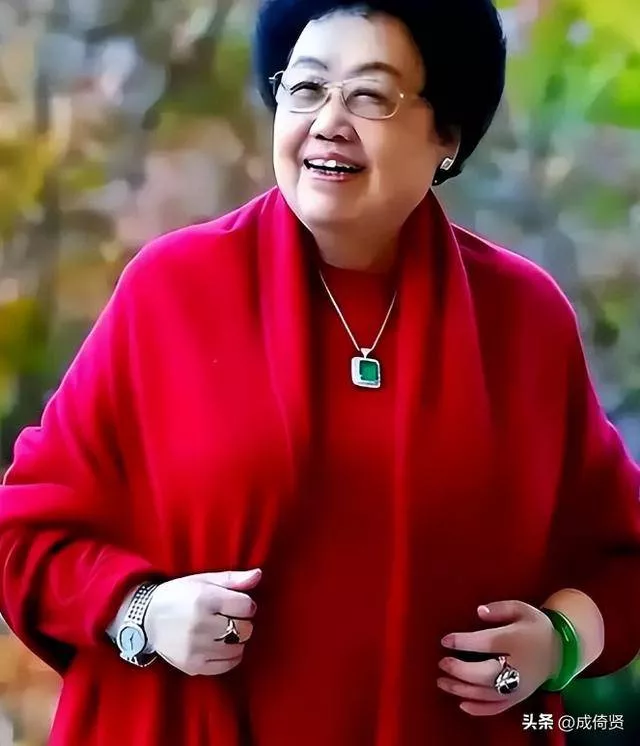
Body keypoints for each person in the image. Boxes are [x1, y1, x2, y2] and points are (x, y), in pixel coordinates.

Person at [0, 0, 639, 744]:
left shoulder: (524, 320)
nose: (329, 121)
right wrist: (140, 612)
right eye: (305, 89)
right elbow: (25, 532)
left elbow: (621, 558)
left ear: (446, 136)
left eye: (370, 95)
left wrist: (559, 645)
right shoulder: (172, 291)